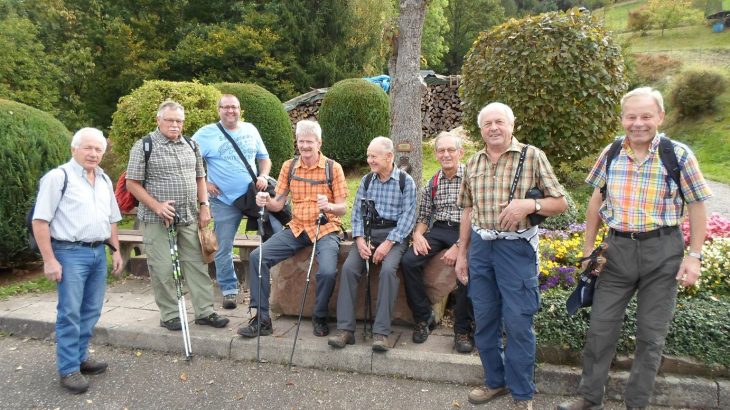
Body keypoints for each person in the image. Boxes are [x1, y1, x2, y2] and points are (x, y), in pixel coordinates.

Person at [558, 87, 711, 410]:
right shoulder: (612, 152)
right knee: (600, 329)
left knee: (650, 337)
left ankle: (636, 403)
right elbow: (596, 200)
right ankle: (589, 397)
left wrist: (693, 257)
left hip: (663, 251)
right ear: (622, 119)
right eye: (631, 116)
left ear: (660, 117)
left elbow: (697, 205)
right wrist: (588, 249)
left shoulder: (678, 155)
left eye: (645, 116)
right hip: (617, 252)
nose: (638, 123)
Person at [455, 102, 568, 409]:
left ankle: (522, 393)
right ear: (480, 130)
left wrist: (529, 206)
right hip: (480, 248)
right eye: (488, 123)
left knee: (518, 323)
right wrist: (462, 252)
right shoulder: (473, 162)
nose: (494, 127)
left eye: (499, 122)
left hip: (516, 249)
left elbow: (560, 203)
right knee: (486, 318)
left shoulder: (532, 156)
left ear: (511, 125)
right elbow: (467, 209)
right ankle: (495, 382)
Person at [32, 127, 123, 394]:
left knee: (92, 310)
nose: (94, 154)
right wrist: (49, 260)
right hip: (69, 253)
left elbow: (112, 220)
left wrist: (115, 250)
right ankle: (69, 368)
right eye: (88, 148)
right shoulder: (57, 178)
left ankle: (81, 357)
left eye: (99, 149)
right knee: (70, 312)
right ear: (74, 149)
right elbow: (40, 220)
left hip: (98, 252)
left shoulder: (105, 179)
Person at [237, 120, 348, 338]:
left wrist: (330, 206)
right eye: (301, 141)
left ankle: (320, 315)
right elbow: (278, 203)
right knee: (258, 257)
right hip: (297, 228)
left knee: (327, 271)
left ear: (319, 143)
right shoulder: (289, 166)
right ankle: (262, 319)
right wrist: (264, 200)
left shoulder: (333, 168)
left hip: (325, 228)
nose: (305, 146)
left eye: (309, 142)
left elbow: (343, 208)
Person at [126, 101, 229, 332]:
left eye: (179, 121)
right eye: (170, 120)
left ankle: (205, 312)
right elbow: (131, 183)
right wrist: (157, 206)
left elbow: (200, 178)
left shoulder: (191, 145)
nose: (175, 125)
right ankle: (170, 314)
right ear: (158, 120)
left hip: (189, 216)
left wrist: (204, 206)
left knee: (197, 265)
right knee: (162, 268)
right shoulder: (144, 146)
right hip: (157, 219)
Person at [192, 94, 282, 310]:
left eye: (234, 107)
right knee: (224, 246)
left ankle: (277, 284)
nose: (230, 111)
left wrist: (263, 176)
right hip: (224, 200)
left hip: (254, 196)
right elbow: (189, 160)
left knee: (279, 234)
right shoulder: (205, 134)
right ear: (219, 110)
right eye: (226, 107)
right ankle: (229, 290)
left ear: (240, 109)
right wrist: (204, 182)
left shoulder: (250, 129)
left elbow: (264, 158)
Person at [328, 136, 417, 352]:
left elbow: (408, 218)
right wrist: (359, 240)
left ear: (389, 156)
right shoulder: (367, 181)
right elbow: (357, 213)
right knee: (349, 268)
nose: (369, 160)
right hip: (368, 233)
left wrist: (388, 244)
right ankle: (345, 330)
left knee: (387, 271)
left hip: (395, 235)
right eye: (368, 156)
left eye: (373, 156)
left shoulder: (406, 182)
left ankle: (381, 333)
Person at [400, 131, 475, 352]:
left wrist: (459, 246)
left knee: (464, 272)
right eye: (441, 151)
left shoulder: (472, 179)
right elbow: (423, 216)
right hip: (440, 229)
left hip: (466, 231)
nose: (446, 154)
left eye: (451, 150)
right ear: (436, 154)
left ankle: (462, 330)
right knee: (408, 261)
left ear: (460, 153)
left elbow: (476, 217)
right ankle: (424, 317)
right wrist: (418, 235)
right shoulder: (432, 182)